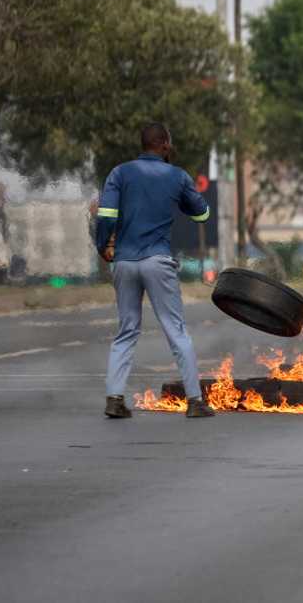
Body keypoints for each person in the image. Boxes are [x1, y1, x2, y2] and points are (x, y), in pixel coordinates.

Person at [95, 123, 215, 418]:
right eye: (169, 145)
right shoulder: (176, 175)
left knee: (126, 330)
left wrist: (102, 246)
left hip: (123, 260)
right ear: (164, 145)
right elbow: (202, 213)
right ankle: (195, 402)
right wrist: (176, 194)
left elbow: (107, 214)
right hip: (156, 260)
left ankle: (114, 399)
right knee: (175, 330)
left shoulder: (120, 173)